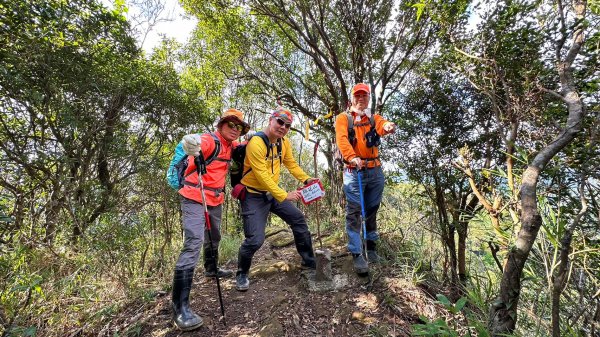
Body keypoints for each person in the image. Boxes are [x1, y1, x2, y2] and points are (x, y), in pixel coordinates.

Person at [171, 108, 250, 331]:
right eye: (230, 125)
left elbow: (242, 148)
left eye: (239, 127)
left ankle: (211, 267)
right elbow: (195, 142)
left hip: (215, 198)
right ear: (220, 125)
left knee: (214, 236)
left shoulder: (230, 145)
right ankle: (180, 307)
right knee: (194, 242)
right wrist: (191, 142)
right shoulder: (209, 140)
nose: (234, 130)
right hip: (195, 196)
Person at [235, 107, 318, 291]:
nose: (283, 127)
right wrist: (284, 195)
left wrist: (306, 179)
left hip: (272, 194)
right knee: (255, 240)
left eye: (287, 125)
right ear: (271, 120)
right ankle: (241, 273)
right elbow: (261, 176)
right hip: (253, 196)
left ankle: (309, 261)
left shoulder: (283, 142)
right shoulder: (256, 143)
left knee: (298, 219)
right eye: (280, 122)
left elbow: (291, 164)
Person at [335, 83, 396, 275]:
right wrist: (352, 156)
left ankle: (371, 247)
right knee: (354, 212)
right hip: (354, 172)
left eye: (364, 96)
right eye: (357, 95)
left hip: (375, 170)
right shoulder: (343, 118)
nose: (361, 99)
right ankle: (356, 252)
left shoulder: (372, 118)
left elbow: (382, 125)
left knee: (371, 210)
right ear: (351, 99)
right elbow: (342, 139)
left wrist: (388, 126)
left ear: (369, 98)